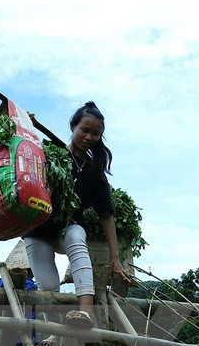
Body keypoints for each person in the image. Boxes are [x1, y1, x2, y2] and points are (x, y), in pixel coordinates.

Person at [22, 101, 131, 327]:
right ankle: (55, 330)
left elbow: (106, 215)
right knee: (48, 285)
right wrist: (24, 124)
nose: (89, 137)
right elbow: (22, 150)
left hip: (69, 224)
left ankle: (85, 312)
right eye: (85, 130)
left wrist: (115, 258)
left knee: (75, 239)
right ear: (72, 127)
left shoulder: (94, 172)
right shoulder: (50, 154)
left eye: (96, 134)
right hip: (39, 228)